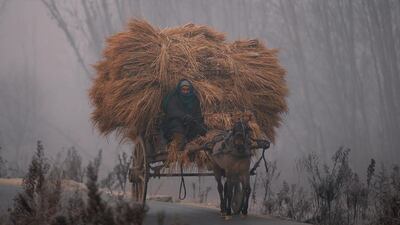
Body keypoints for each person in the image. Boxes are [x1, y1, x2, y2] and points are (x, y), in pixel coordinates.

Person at [161, 79, 207, 151]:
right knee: (178, 129)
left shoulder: (194, 99)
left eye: (187, 90)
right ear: (180, 89)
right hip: (176, 122)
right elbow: (173, 111)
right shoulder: (174, 98)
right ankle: (179, 149)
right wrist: (184, 116)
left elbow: (198, 113)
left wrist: (199, 123)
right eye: (183, 90)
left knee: (200, 130)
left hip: (190, 122)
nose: (185, 91)